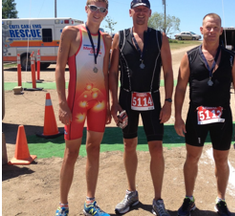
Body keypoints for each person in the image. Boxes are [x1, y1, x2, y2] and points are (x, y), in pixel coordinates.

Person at [174, 13, 235, 216]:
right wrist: (178, 117)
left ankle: (221, 201)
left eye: (216, 27)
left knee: (221, 160)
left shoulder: (231, 58)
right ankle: (189, 199)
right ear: (201, 30)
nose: (212, 31)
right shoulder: (189, 56)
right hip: (196, 115)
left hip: (222, 115)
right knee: (192, 158)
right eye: (208, 27)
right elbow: (179, 89)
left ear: (221, 31)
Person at [109, 0, 173, 215]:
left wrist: (168, 101)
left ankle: (157, 199)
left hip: (153, 99)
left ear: (149, 13)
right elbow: (113, 72)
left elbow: (169, 72)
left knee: (156, 148)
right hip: (127, 98)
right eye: (137, 10)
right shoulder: (120, 37)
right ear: (130, 12)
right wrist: (114, 102)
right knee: (129, 145)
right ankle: (132, 193)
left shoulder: (159, 37)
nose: (141, 13)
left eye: (144, 10)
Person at [55, 1, 111, 215]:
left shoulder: (107, 39)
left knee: (94, 149)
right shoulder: (71, 33)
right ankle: (63, 204)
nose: (98, 13)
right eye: (94, 8)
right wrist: (62, 103)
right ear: (86, 8)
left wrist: (108, 105)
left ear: (106, 13)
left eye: (102, 9)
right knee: (71, 152)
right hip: (75, 103)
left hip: (98, 102)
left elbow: (106, 74)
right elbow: (59, 70)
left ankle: (90, 203)